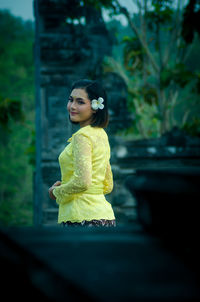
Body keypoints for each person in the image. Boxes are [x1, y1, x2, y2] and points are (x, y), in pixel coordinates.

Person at [48, 79, 116, 227]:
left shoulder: (82, 137)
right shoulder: (101, 134)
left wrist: (55, 192)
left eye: (80, 102)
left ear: (95, 106)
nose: (72, 106)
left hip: (81, 218)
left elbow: (82, 182)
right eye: (70, 100)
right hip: (105, 217)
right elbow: (108, 185)